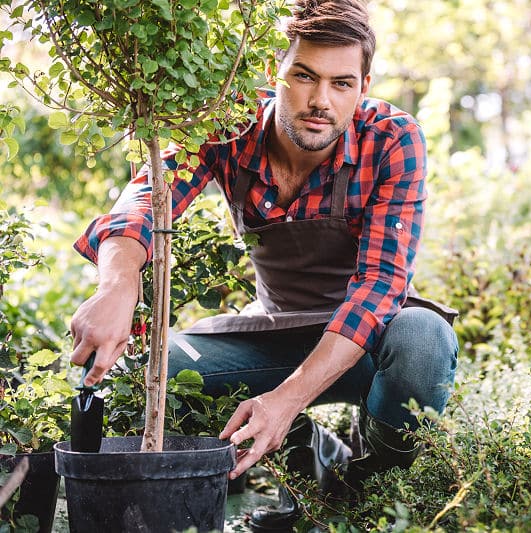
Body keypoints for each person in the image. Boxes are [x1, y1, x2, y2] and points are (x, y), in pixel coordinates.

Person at [69, 0, 458, 529]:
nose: (321, 101)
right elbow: (144, 201)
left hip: (369, 339)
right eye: (304, 76)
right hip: (275, 332)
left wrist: (287, 400)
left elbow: (380, 286)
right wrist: (118, 285)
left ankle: (367, 492)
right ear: (275, 68)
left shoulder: (392, 138)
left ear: (364, 86)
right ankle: (307, 463)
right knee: (165, 370)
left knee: (423, 342)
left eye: (342, 84)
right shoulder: (227, 124)